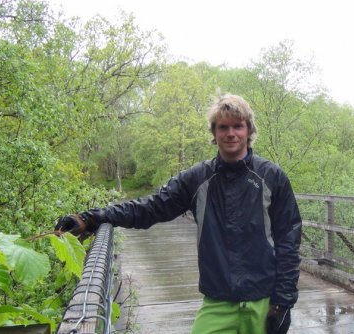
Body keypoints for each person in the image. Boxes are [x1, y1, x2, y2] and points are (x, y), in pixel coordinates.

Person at [55, 94, 302, 334]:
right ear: (214, 134)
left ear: (249, 130)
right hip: (218, 301)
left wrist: (284, 300)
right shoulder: (197, 179)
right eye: (223, 127)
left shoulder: (272, 177)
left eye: (238, 126)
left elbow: (289, 238)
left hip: (264, 299)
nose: (230, 133)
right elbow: (150, 207)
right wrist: (92, 218)